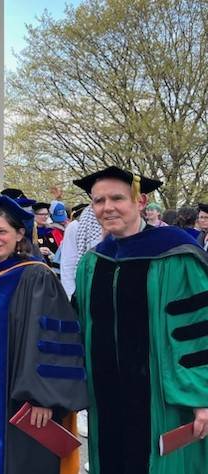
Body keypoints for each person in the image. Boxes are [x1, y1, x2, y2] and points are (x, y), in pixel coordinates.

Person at [72, 166, 208, 473]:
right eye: (99, 200)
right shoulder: (93, 262)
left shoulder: (176, 255)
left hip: (164, 400)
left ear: (141, 201)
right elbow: (78, 330)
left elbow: (199, 329)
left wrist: (203, 397)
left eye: (117, 198)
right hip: (105, 398)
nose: (107, 207)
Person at [0, 195, 86, 474]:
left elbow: (52, 343)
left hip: (26, 400)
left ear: (20, 234)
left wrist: (42, 398)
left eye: (2, 231)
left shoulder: (38, 277)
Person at [32, 202, 60, 269]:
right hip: (37, 268)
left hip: (54, 269)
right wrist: (37, 251)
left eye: (47, 214)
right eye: (42, 214)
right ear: (34, 215)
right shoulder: (30, 232)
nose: (46, 217)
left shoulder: (52, 231)